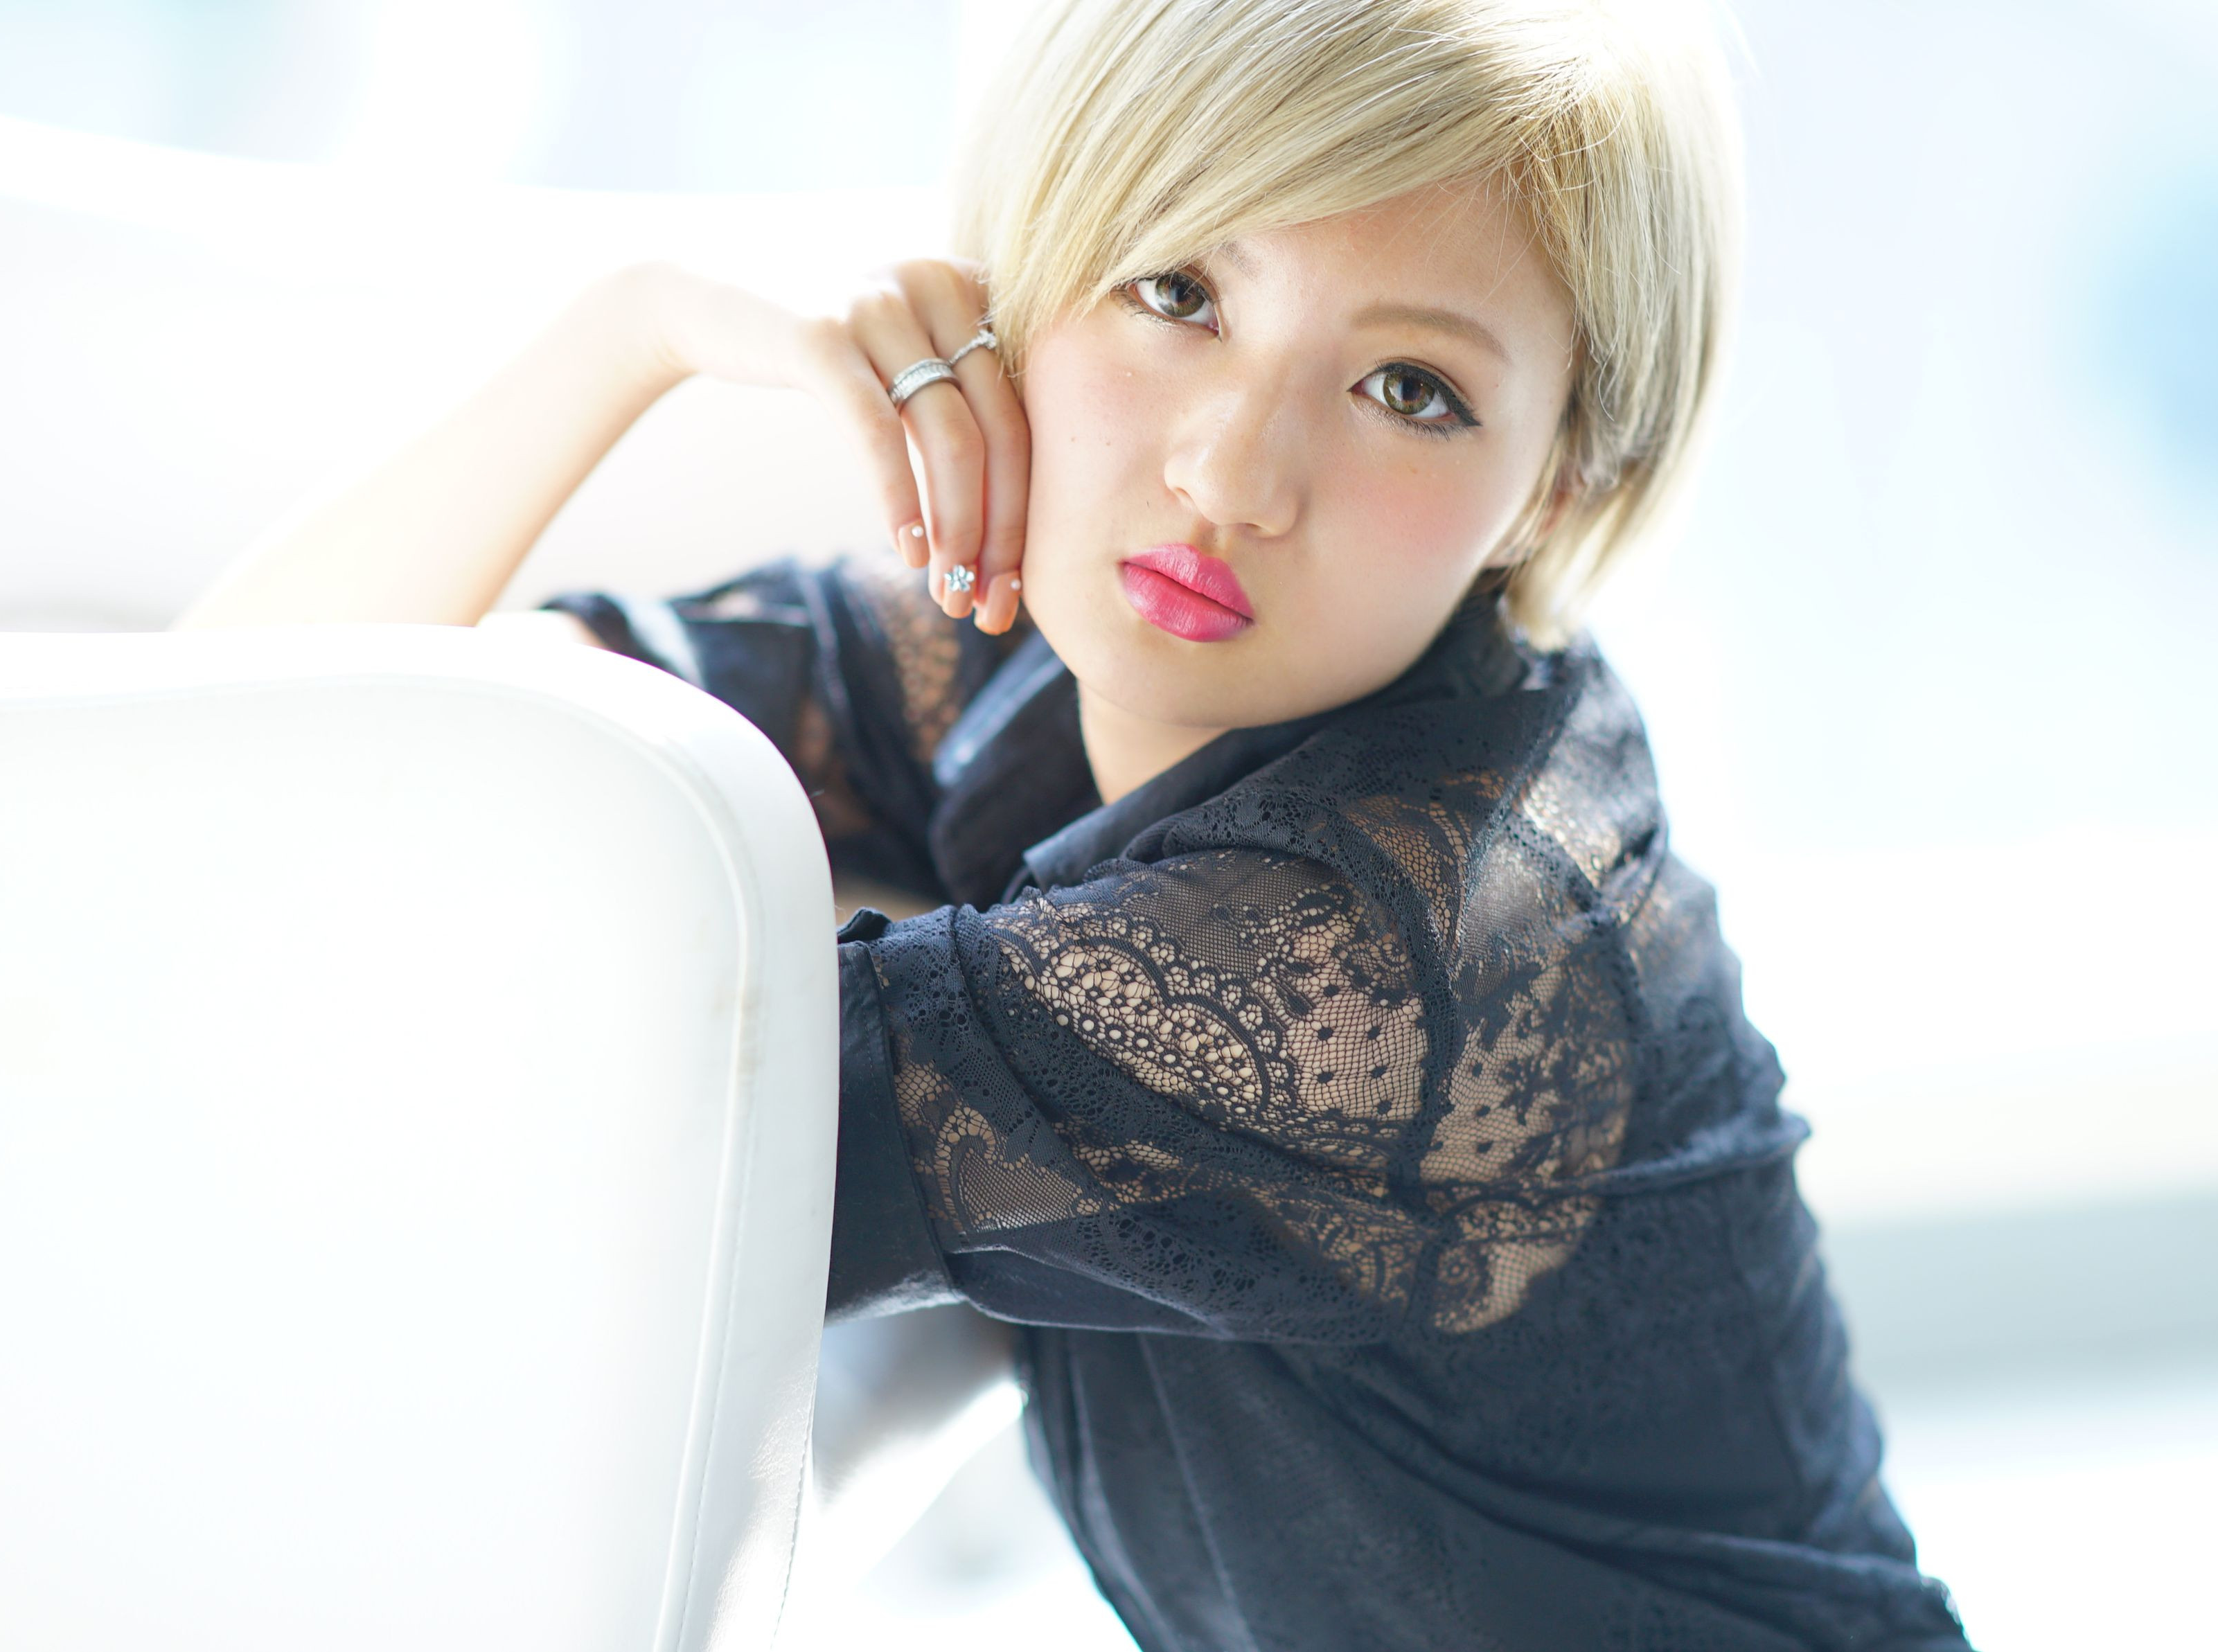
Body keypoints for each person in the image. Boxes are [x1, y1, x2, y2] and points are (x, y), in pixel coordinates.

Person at [181, 1, 1972, 1645]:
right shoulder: (1034, 655)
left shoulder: (1371, 949)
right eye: (1178, 290)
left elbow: (489, 1155)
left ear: (1554, 486)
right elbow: (223, 746)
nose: (1228, 474)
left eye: (1408, 390)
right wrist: (632, 327)